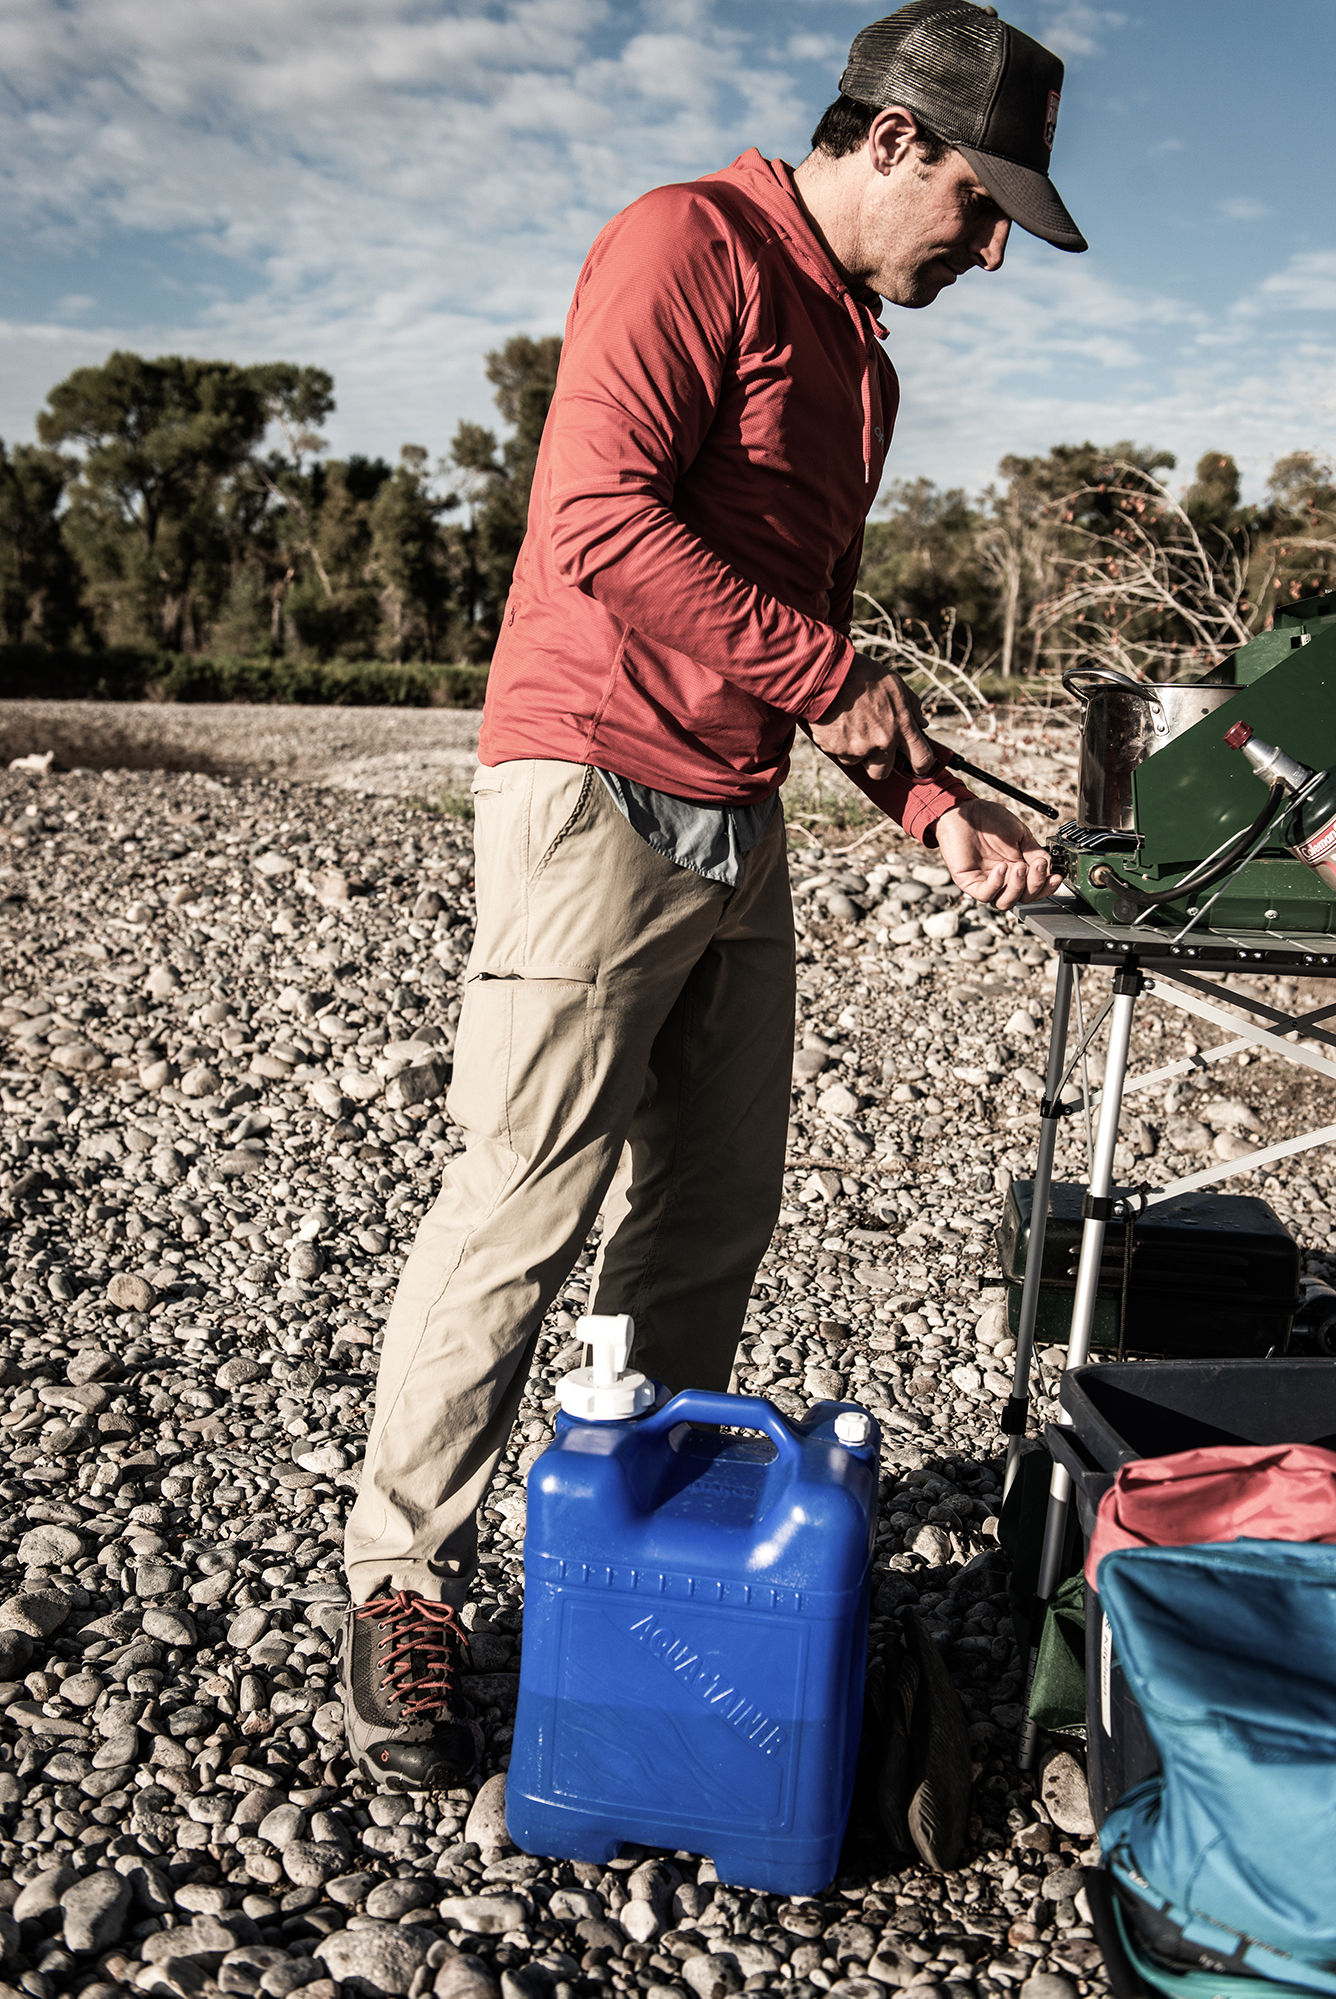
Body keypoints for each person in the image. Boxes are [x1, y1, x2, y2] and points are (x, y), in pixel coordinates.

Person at [341, 0, 1084, 1789]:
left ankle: (626, 1563)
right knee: (521, 1199)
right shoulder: (688, 242)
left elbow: (807, 640)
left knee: (709, 1216)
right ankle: (402, 1587)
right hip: (594, 781)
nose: (989, 250)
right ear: (894, 137)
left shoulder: (866, 362)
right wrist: (833, 681)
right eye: (981, 205)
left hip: (736, 817)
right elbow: (597, 517)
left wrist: (931, 805)